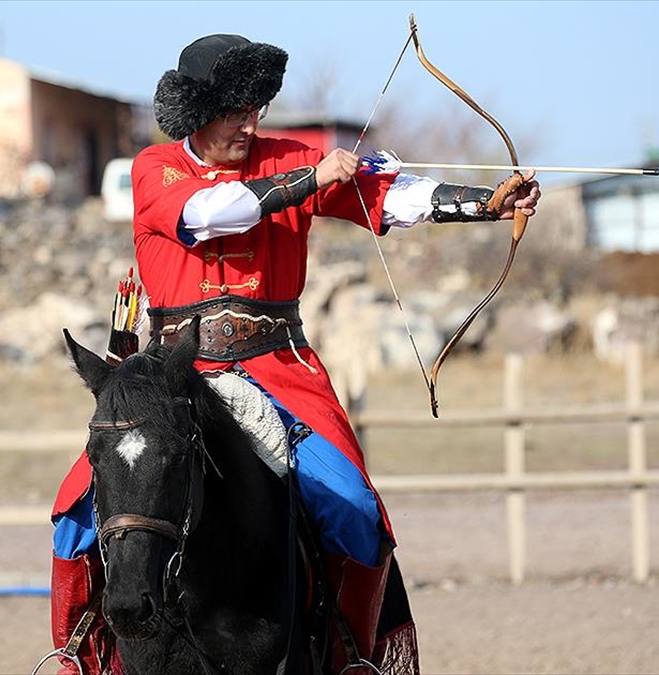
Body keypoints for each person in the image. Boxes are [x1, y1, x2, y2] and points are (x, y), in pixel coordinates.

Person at [49, 33, 540, 674]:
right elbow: (207, 213)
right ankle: (78, 657)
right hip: (175, 374)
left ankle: (353, 658)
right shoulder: (156, 167)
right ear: (199, 112)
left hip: (279, 368)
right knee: (75, 511)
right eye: (235, 112)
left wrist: (483, 203)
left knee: (355, 508)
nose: (249, 125)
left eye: (256, 110)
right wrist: (311, 178)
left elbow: (387, 193)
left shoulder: (289, 155)